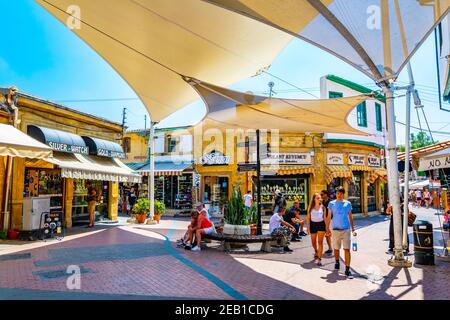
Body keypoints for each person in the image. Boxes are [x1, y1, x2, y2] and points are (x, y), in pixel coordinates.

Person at [326, 186, 356, 278]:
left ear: (343, 194)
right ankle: (337, 262)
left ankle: (347, 268)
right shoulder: (331, 203)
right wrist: (327, 229)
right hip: (335, 230)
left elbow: (350, 217)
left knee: (347, 249)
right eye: (338, 193)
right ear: (336, 194)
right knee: (336, 248)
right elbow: (328, 216)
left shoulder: (348, 204)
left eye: (341, 193)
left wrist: (353, 229)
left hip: (346, 229)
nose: (339, 195)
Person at [307, 193, 327, 266]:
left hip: (321, 225)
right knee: (313, 242)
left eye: (319, 198)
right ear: (314, 199)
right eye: (317, 198)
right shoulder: (310, 207)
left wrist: (327, 228)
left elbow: (325, 218)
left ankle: (319, 259)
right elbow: (308, 218)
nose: (319, 199)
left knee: (320, 242)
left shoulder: (323, 207)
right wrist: (308, 228)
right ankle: (316, 251)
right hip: (313, 225)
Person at [320, 190, 333, 254]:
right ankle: (330, 248)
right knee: (327, 235)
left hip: (331, 220)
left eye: (322, 194)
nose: (321, 196)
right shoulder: (322, 202)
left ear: (326, 194)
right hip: (324, 219)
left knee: (332, 234)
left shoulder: (331, 202)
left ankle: (337, 247)